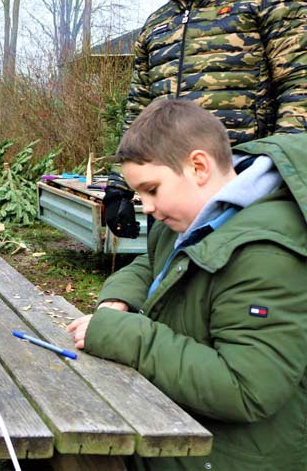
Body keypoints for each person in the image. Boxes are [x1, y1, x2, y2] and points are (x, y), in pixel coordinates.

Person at [68, 99, 307, 470]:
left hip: (230, 453)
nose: (145, 207)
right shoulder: (191, 215)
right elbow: (153, 261)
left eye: (151, 190)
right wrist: (118, 299)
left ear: (198, 166)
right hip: (180, 419)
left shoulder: (265, 254)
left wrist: (129, 336)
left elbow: (247, 389)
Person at [105, 0, 307, 239]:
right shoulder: (157, 26)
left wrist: (277, 173)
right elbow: (140, 109)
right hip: (173, 200)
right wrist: (120, 184)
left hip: (248, 195)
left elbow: (299, 85)